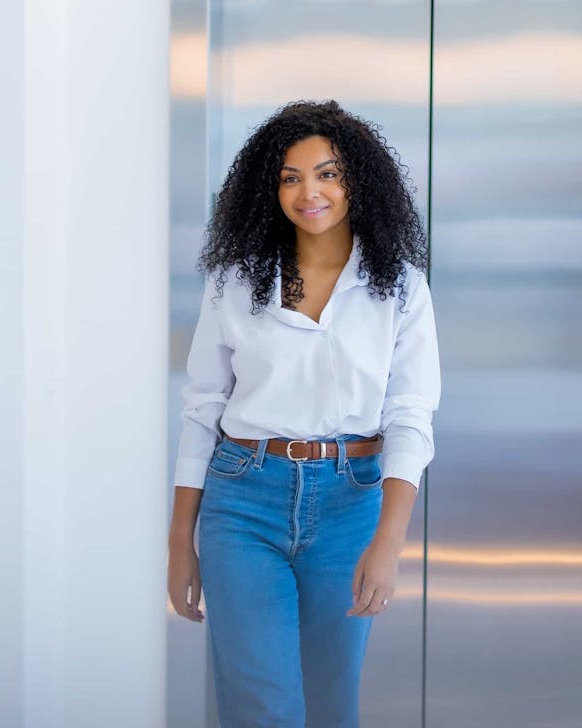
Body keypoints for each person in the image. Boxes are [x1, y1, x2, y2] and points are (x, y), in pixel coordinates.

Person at [167, 99, 441, 728]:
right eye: (290, 177)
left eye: (327, 173)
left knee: (329, 705)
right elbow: (203, 407)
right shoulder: (235, 282)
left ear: (358, 182)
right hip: (244, 501)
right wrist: (180, 540)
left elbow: (410, 414)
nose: (308, 192)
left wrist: (389, 541)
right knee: (262, 707)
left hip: (352, 503)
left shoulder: (401, 287)